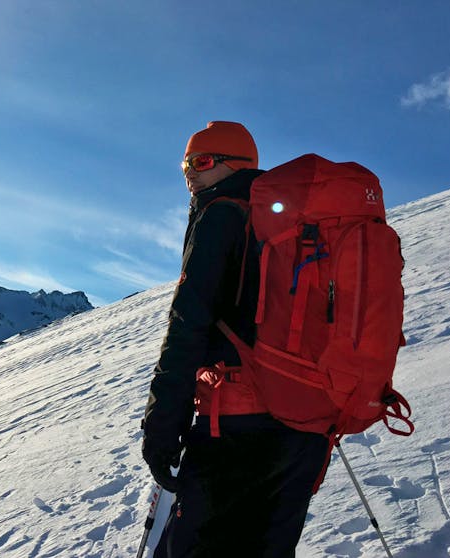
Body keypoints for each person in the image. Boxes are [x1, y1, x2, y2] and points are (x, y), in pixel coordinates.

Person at [141, 121, 329, 557]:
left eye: (202, 162)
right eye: (185, 163)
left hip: (236, 425)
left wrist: (162, 427)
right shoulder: (292, 224)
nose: (190, 172)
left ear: (237, 164)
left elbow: (188, 324)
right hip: (305, 426)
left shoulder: (221, 214)